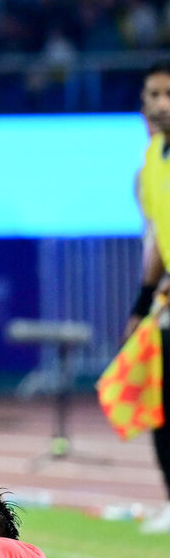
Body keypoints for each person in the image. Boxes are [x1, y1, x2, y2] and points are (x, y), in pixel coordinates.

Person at [123, 58, 170, 534]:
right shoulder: (151, 161)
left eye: (169, 95)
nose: (161, 105)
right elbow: (158, 236)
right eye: (153, 96)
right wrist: (141, 301)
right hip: (166, 302)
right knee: (162, 407)